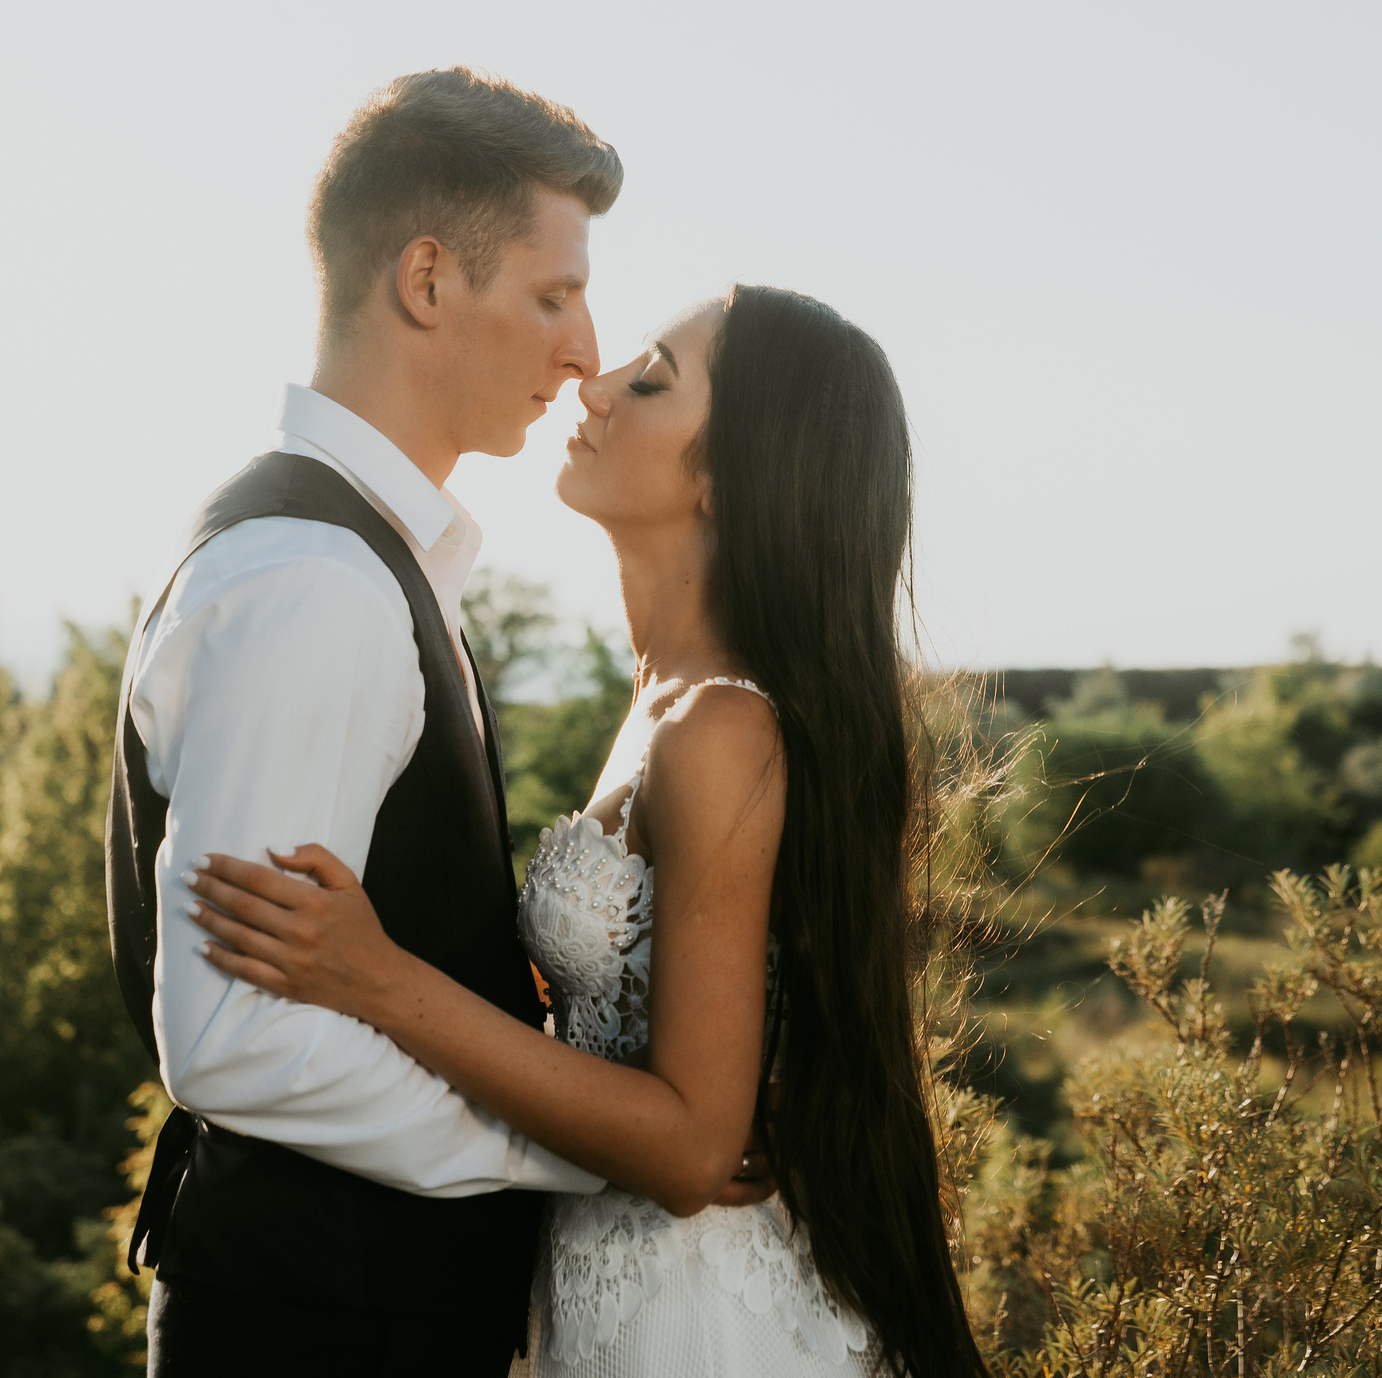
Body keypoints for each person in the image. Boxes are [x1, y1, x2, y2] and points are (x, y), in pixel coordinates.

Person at [107, 67, 783, 1378]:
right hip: (321, 1330)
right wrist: (589, 1152)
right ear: (427, 282)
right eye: (551, 296)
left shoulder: (359, 563)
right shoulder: (317, 584)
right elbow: (238, 1044)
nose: (584, 351)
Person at [189, 284, 990, 1377]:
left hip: (698, 1315)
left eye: (650, 379)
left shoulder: (719, 726)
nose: (594, 379)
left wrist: (372, 975)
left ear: (725, 479)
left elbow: (694, 1144)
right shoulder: (665, 700)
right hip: (600, 1282)